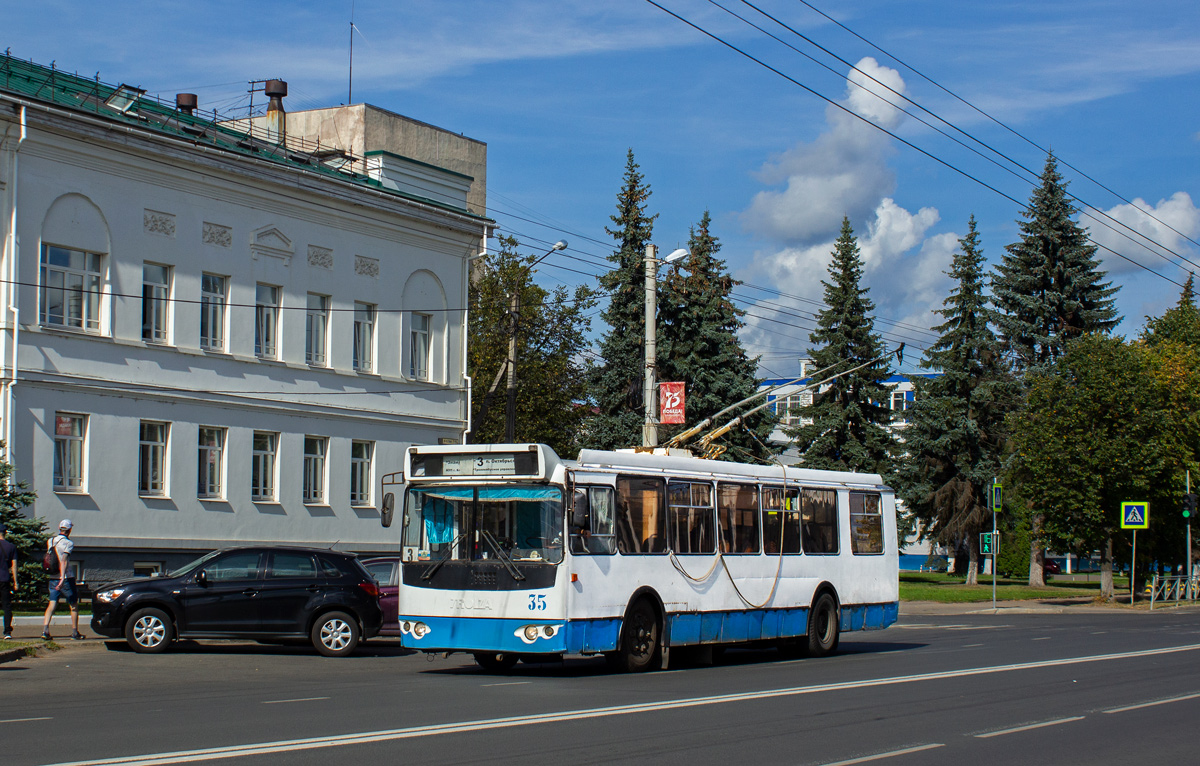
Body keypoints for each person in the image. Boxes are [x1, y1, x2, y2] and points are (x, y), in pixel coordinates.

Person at [42, 519, 82, 641]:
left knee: (52, 603)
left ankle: (45, 630)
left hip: (52, 577)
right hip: (66, 578)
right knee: (73, 604)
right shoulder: (68, 543)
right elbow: (63, 561)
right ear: (69, 530)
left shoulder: (51, 541)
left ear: (60, 528)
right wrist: (62, 579)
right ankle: (75, 632)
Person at [0, 523, 16, 640]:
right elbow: (14, 566)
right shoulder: (11, 547)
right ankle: (7, 632)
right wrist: (16, 582)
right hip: (5, 579)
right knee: (6, 606)